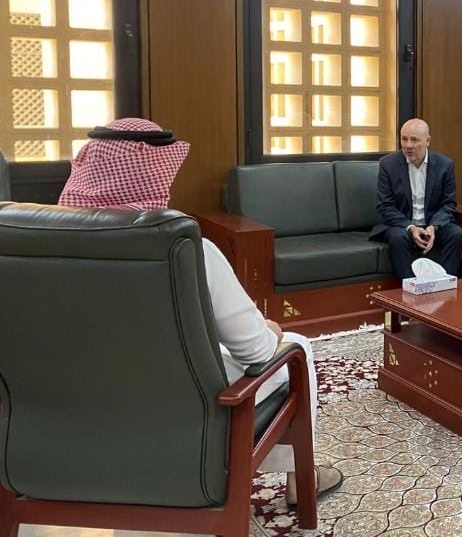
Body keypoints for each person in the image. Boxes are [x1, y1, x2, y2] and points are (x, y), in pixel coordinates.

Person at [58, 117, 343, 506]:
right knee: (296, 348)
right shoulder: (187, 251)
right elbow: (257, 352)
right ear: (154, 175)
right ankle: (301, 483)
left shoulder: (40, 252)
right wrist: (270, 331)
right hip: (178, 406)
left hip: (79, 412)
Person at [370, 118, 462, 278]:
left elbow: (448, 204)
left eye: (414, 140)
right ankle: (411, 286)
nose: (408, 145)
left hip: (432, 222)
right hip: (401, 225)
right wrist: (411, 227)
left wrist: (434, 226)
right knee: (398, 238)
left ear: (427, 141)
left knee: (455, 234)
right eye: (404, 139)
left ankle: (444, 283)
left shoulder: (445, 165)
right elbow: (385, 206)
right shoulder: (388, 164)